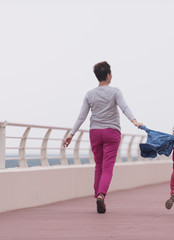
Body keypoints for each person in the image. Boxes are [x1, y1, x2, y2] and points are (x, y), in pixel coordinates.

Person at [63, 61, 142, 214]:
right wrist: (134, 121)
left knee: (98, 166)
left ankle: (100, 198)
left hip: (95, 133)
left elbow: (82, 117)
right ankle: (101, 195)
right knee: (107, 168)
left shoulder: (90, 94)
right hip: (112, 132)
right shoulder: (115, 91)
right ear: (108, 75)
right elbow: (124, 107)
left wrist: (71, 134)